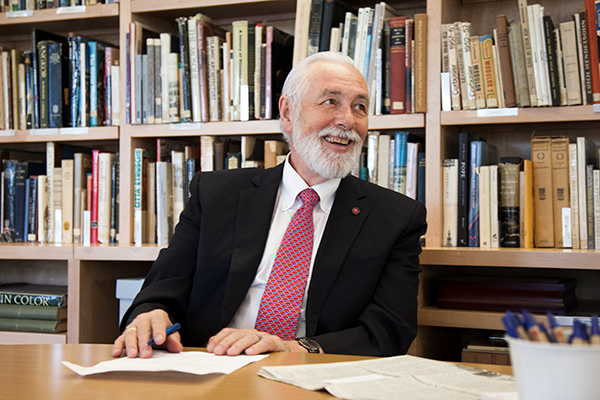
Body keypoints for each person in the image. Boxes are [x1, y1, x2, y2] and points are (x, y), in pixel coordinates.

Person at [112, 51, 427, 359]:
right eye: (331, 102)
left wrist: (292, 347)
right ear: (288, 113)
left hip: (315, 374)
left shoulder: (396, 217)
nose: (347, 120)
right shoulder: (216, 195)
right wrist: (148, 315)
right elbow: (159, 292)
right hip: (211, 369)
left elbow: (390, 331)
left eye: (360, 107)